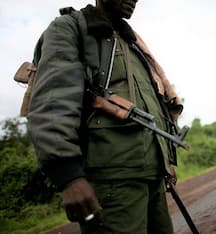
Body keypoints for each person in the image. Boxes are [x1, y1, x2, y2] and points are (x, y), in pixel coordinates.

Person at [27, 1, 184, 233]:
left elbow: (155, 107)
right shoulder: (69, 28)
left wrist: (166, 160)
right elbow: (53, 101)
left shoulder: (133, 44)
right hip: (112, 182)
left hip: (153, 178)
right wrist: (68, 177)